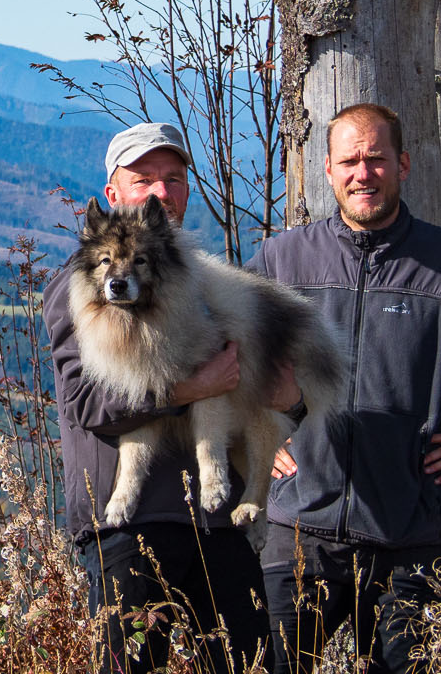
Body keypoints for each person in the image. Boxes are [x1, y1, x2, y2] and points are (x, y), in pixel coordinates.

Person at [249, 103, 441, 673]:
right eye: (349, 161)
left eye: (375, 159)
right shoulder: (283, 260)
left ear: (403, 164)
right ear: (327, 169)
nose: (361, 174)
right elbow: (233, 354)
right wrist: (256, 436)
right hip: (300, 532)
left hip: (410, 535)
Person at [45, 122, 290, 674]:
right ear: (114, 195)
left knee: (249, 663)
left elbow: (250, 381)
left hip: (215, 522)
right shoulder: (80, 286)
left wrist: (283, 413)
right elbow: (87, 406)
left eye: (174, 179)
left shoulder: (198, 277)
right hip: (129, 526)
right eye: (144, 179)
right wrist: (190, 390)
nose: (161, 191)